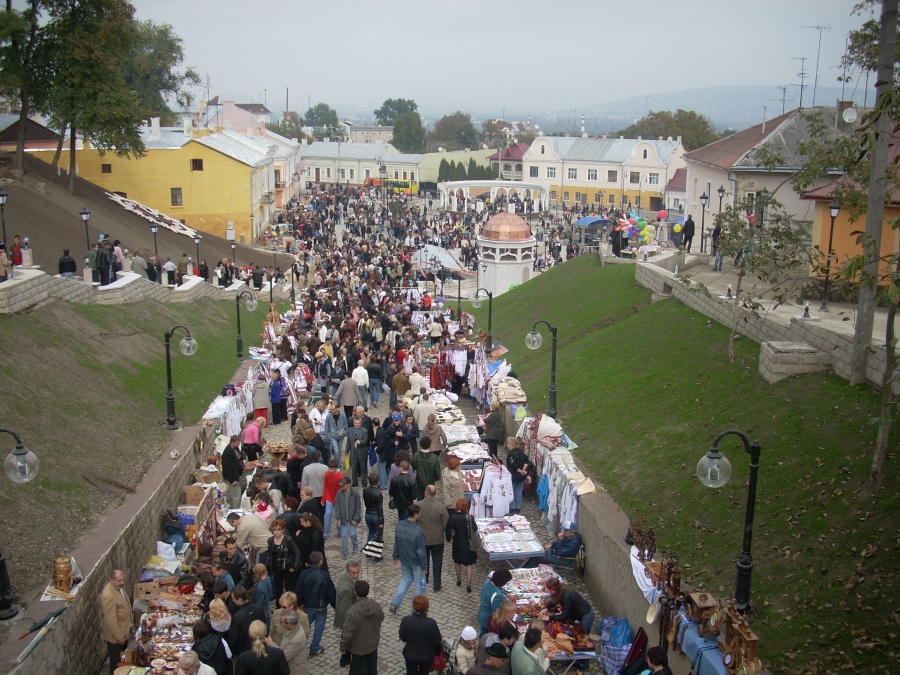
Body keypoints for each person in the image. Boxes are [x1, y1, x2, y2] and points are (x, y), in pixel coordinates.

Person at [294, 551, 335, 657]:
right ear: (321, 561)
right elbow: (330, 593)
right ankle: (315, 647)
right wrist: (335, 605)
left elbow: (299, 590)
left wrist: (300, 603)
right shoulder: (325, 575)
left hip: (307, 605)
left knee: (304, 626)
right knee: (319, 627)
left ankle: (299, 646)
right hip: (321, 606)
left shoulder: (304, 574)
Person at [339, 580, 384, 675]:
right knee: (372, 669)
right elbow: (381, 617)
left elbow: (348, 633)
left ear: (355, 592)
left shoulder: (352, 612)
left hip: (358, 649)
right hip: (372, 645)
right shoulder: (376, 605)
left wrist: (343, 646)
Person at [389, 503, 427, 614]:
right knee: (419, 585)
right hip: (415, 562)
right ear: (415, 514)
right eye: (419, 513)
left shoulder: (399, 525)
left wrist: (395, 556)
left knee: (405, 580)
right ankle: (417, 608)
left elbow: (396, 542)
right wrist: (424, 566)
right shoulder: (418, 531)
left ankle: (394, 603)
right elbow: (421, 551)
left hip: (404, 560)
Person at [399, 595, 442, 675]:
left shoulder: (406, 620)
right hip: (426, 656)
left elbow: (403, 638)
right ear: (426, 607)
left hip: (410, 654)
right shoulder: (431, 623)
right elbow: (436, 641)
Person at [416, 484, 449, 592]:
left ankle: (425, 579)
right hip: (437, 539)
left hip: (423, 539)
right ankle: (437, 584)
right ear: (435, 494)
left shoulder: (418, 505)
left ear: (426, 492)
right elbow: (446, 523)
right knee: (437, 561)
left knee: (424, 560)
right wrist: (448, 536)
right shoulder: (441, 507)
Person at [101, 569, 132, 675]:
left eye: (123, 580)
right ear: (112, 580)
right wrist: (119, 637)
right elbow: (111, 619)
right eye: (119, 581)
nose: (122, 583)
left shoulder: (119, 588)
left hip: (124, 631)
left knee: (123, 659)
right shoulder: (108, 595)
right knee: (116, 663)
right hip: (116, 638)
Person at [446, 498, 478, 592]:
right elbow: (475, 529)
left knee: (457, 562)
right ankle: (468, 584)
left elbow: (448, 529)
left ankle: (459, 580)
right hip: (468, 544)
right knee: (469, 564)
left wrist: (449, 538)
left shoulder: (453, 517)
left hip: (457, 543)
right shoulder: (470, 517)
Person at [266, 517, 302, 600]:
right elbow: (269, 554)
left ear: (282, 530)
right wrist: (267, 566)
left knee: (289, 589)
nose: (276, 532)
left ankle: (290, 606)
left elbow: (297, 553)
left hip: (287, 568)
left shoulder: (288, 540)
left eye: (278, 529)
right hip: (276, 568)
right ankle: (279, 607)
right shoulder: (270, 540)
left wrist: (294, 567)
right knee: (278, 589)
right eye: (274, 530)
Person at [227, 585, 267, 658]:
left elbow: (233, 638)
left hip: (243, 652)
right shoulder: (259, 608)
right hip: (260, 646)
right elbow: (264, 625)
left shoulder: (237, 617)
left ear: (239, 599)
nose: (232, 600)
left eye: (233, 599)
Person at [477, 568, 512, 636]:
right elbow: (497, 611)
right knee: (486, 636)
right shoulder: (497, 596)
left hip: (482, 613)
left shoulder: (487, 582)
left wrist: (506, 594)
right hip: (488, 619)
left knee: (483, 633)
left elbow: (497, 588)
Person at [276, 609, 309, 675]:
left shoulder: (297, 639)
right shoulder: (293, 627)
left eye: (281, 622)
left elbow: (283, 657)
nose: (281, 623)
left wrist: (271, 644)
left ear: (289, 624)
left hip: (294, 671)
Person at [333, 559, 361, 629]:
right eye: (354, 573)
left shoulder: (343, 575)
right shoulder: (347, 589)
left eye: (358, 572)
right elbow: (345, 610)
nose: (356, 575)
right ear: (348, 572)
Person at [411, 436, 441, 501]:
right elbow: (437, 470)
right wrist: (437, 478)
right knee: (430, 498)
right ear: (430, 445)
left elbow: (413, 467)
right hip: (430, 481)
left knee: (419, 497)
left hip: (419, 481)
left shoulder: (416, 455)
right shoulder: (434, 457)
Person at [505, 439, 529, 514]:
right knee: (519, 491)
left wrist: (520, 471)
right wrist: (523, 470)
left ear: (512, 445)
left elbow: (513, 465)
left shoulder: (511, 454)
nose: (507, 446)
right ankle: (518, 507)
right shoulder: (522, 452)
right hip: (521, 476)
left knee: (511, 491)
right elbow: (527, 462)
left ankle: (513, 507)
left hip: (514, 476)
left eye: (508, 444)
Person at [222, 435, 245, 509]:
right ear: (232, 442)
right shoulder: (227, 453)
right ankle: (236, 512)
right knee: (236, 497)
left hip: (238, 474)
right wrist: (232, 480)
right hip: (233, 478)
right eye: (237, 443)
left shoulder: (235, 449)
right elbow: (227, 468)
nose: (238, 445)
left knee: (234, 495)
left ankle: (232, 509)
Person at [346, 416, 370, 487]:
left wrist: (360, 442)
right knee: (354, 468)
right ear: (353, 423)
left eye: (358, 423)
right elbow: (348, 442)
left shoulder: (364, 431)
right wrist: (346, 451)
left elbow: (365, 441)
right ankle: (354, 482)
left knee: (363, 468)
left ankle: (364, 481)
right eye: (356, 423)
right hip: (353, 453)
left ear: (361, 423)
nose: (357, 425)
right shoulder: (349, 430)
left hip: (362, 452)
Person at [362, 471, 384, 545]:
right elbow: (379, 508)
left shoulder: (365, 490)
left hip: (368, 514)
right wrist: (381, 521)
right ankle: (376, 554)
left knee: (371, 532)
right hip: (376, 516)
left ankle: (369, 551)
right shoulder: (378, 492)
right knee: (378, 535)